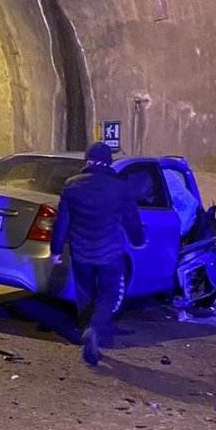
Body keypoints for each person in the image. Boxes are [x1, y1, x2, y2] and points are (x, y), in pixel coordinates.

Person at [49, 142, 146, 367]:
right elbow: (132, 219)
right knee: (108, 296)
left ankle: (86, 336)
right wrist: (138, 241)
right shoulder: (120, 187)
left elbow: (62, 222)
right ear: (109, 161)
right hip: (110, 254)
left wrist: (55, 251)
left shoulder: (71, 185)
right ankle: (93, 331)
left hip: (81, 253)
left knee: (84, 295)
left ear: (87, 159)